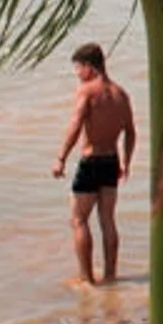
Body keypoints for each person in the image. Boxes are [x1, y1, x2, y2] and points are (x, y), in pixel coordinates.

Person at [52, 43, 137, 286]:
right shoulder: (121, 94)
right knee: (107, 220)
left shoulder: (87, 91)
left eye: (78, 69)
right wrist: (125, 162)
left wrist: (61, 158)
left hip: (90, 161)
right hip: (111, 162)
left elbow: (76, 123)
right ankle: (110, 275)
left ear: (89, 67)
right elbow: (131, 132)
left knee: (78, 220)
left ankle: (87, 279)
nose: (77, 74)